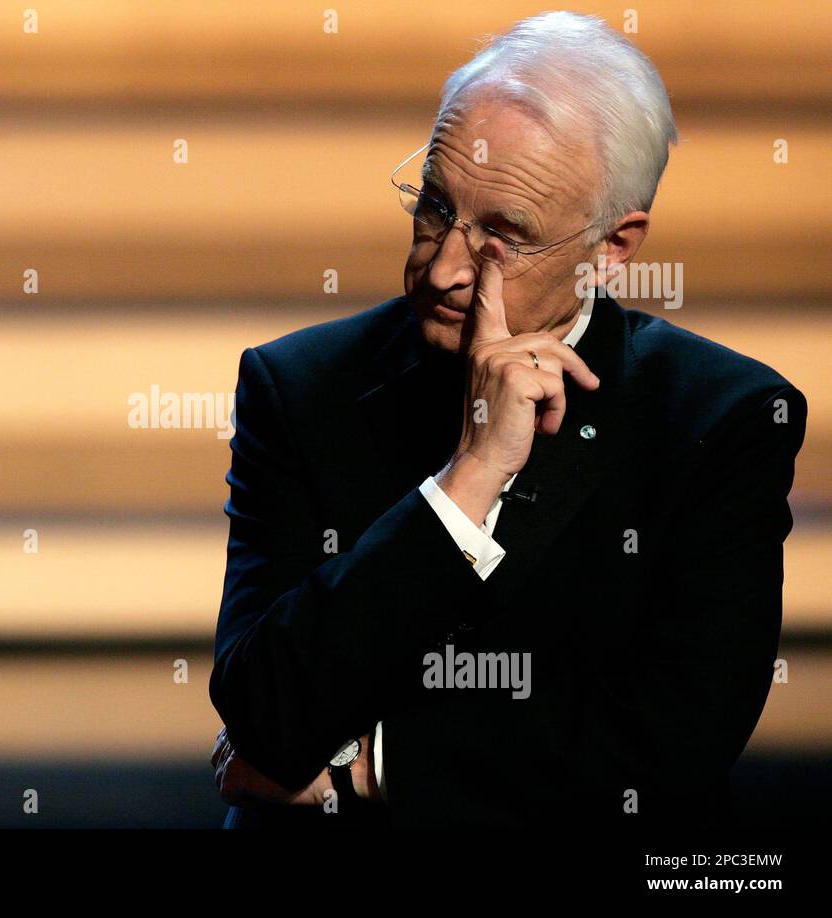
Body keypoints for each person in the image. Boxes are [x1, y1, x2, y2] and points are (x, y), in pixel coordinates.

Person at [208, 11, 807, 828]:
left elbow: (673, 744)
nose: (444, 267)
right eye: (433, 208)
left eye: (502, 235)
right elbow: (263, 711)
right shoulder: (298, 385)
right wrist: (469, 478)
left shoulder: (721, 419)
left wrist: (368, 768)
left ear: (612, 246)